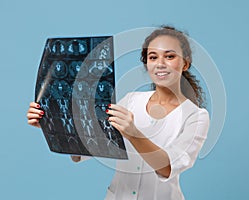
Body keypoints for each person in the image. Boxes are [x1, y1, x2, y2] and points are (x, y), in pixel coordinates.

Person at [27, 26, 210, 200]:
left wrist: (134, 134)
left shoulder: (196, 116)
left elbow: (167, 167)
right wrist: (51, 121)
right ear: (146, 63)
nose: (160, 64)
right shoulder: (131, 100)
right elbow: (89, 145)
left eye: (169, 56)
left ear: (185, 63)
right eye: (153, 57)